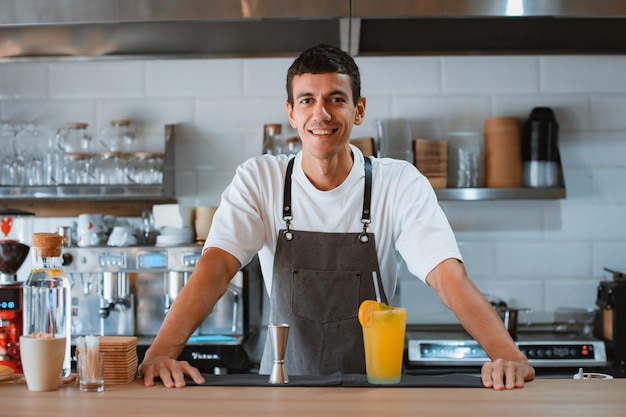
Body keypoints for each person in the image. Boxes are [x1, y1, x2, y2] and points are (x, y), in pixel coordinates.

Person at [139, 44, 535, 390]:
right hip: (281, 390)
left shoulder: (397, 182)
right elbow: (215, 269)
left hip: (377, 391)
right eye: (307, 100)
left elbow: (447, 276)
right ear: (291, 113)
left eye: (336, 99)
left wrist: (507, 355)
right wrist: (160, 353)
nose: (321, 114)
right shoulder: (260, 179)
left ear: (358, 109)